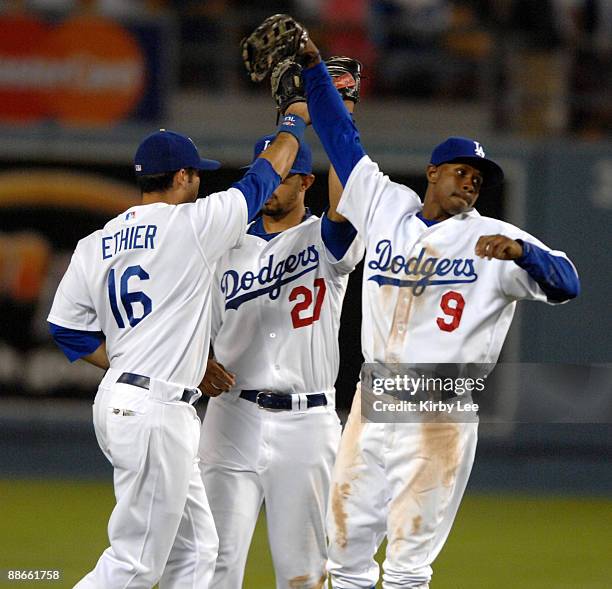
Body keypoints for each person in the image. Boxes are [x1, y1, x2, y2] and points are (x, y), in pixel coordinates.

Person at [266, 25, 580, 589]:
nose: (470, 183)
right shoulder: (388, 207)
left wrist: (525, 255)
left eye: (479, 178)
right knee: (345, 557)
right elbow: (340, 140)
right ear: (433, 172)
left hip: (442, 404)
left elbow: (568, 283)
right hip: (375, 394)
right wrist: (314, 69)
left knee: (409, 566)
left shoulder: (495, 238)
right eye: (461, 171)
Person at [46, 111, 310, 589]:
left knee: (197, 549)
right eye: (197, 175)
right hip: (154, 410)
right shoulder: (190, 223)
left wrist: (135, 359)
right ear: (183, 176)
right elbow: (264, 176)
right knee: (134, 562)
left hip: (125, 399)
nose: (200, 184)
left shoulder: (95, 242)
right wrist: (294, 120)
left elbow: (68, 331)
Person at [198, 122, 363, 587]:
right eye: (266, 174)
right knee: (212, 561)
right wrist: (197, 362)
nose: (270, 185)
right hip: (231, 417)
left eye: (284, 175)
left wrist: (340, 115)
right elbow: (197, 326)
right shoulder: (224, 246)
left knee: (304, 572)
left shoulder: (325, 241)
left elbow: (348, 199)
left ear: (307, 181)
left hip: (307, 423)